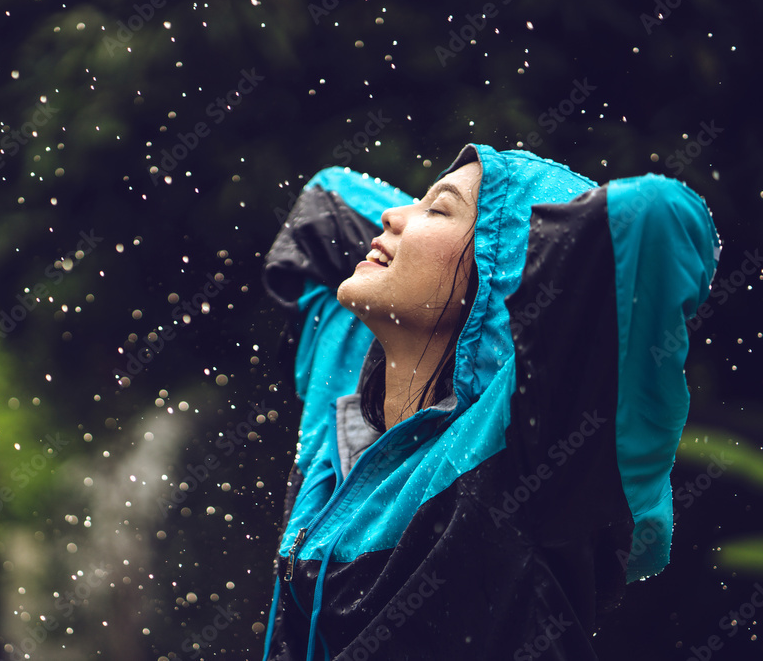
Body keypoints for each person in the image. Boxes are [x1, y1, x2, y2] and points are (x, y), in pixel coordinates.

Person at [259, 143, 721, 660]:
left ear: (499, 275)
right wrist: (444, 218)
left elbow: (653, 218)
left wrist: (510, 291)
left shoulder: (530, 446)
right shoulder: (345, 376)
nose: (391, 215)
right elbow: (326, 200)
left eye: (436, 208)